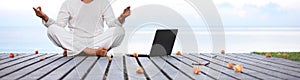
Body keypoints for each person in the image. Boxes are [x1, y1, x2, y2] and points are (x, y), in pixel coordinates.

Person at [33, 0, 130, 56]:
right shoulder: (68, 3)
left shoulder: (103, 2)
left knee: (119, 31)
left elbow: (112, 25)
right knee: (52, 29)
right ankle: (91, 52)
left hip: (96, 41)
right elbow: (59, 26)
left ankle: (76, 52)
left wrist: (122, 17)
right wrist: (44, 17)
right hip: (75, 41)